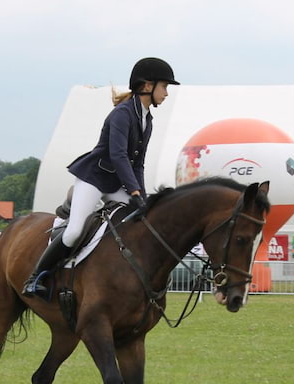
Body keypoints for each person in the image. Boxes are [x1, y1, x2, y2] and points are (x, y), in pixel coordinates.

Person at [22, 57, 180, 298]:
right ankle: (36, 277)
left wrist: (142, 198)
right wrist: (134, 192)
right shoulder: (122, 114)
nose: (167, 93)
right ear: (147, 86)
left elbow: (138, 164)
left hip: (117, 184)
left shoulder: (147, 120)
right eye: (165, 86)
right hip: (94, 179)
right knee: (75, 231)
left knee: (142, 221)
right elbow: (118, 156)